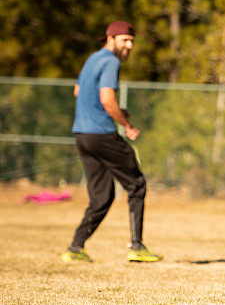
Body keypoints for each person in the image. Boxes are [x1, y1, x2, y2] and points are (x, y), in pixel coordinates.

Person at [60, 21, 162, 263]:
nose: (129, 45)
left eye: (131, 41)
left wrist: (114, 110)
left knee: (102, 196)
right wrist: (126, 125)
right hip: (102, 134)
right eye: (125, 40)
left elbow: (78, 90)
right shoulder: (111, 61)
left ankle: (75, 248)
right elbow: (107, 99)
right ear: (111, 38)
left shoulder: (92, 59)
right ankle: (137, 246)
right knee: (136, 185)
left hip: (82, 135)